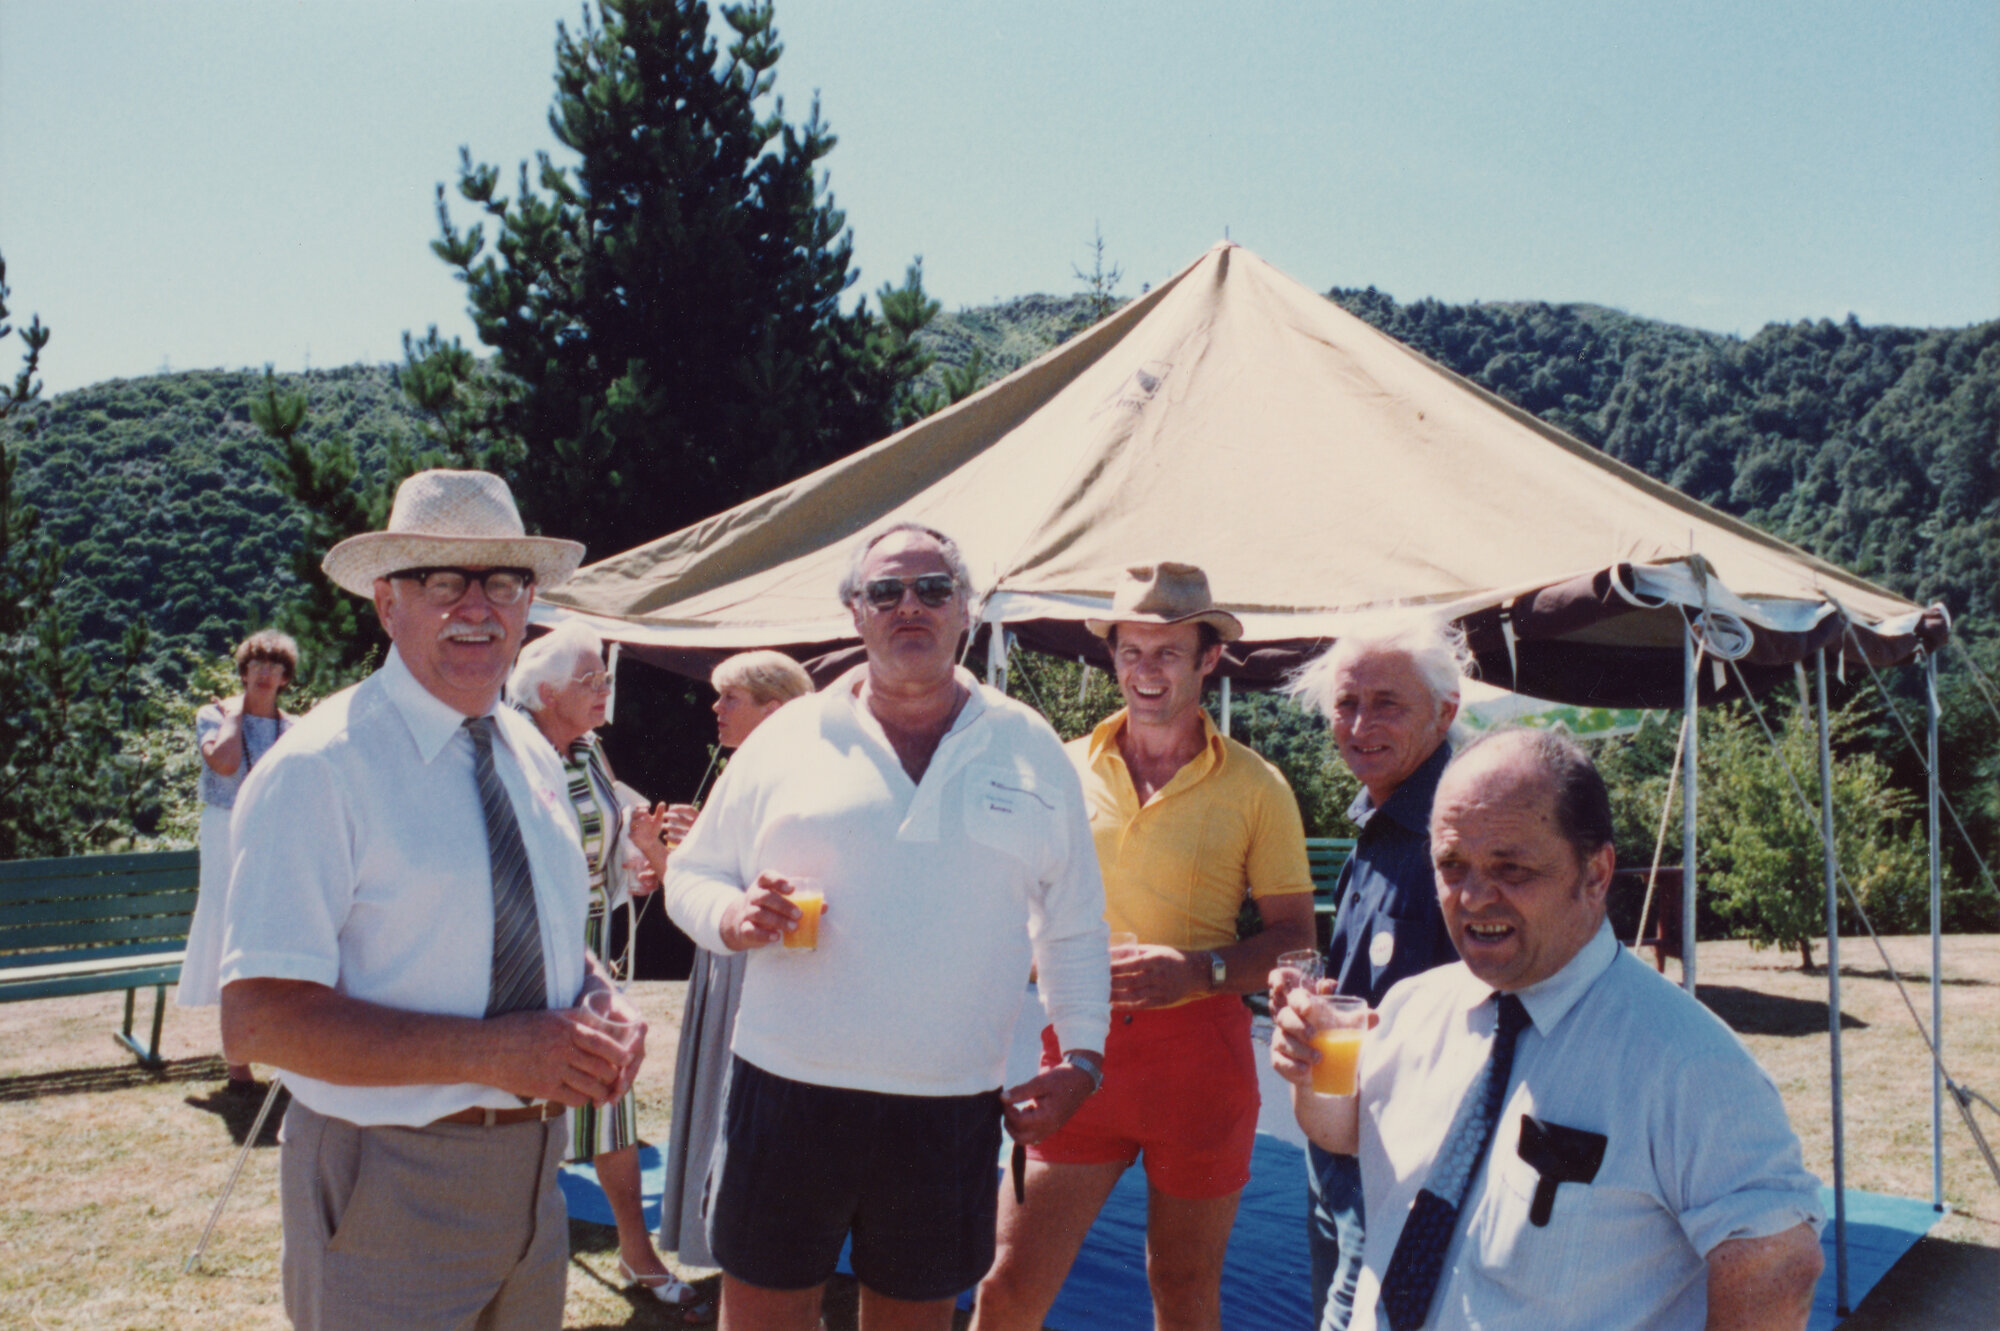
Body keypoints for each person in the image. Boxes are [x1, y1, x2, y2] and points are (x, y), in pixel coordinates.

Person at [218, 469, 648, 1331]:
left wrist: (598, 996)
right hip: (387, 1174)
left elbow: (537, 923)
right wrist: (492, 1053)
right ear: (387, 602)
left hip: (539, 1173)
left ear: (532, 602)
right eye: (444, 580)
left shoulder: (528, 749)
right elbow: (258, 1020)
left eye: (503, 581)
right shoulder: (319, 768)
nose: (479, 608)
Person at [663, 521, 1110, 1331]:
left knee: (914, 1318)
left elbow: (1074, 920)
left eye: (934, 589)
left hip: (950, 1100)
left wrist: (1083, 1053)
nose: (912, 606)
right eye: (887, 591)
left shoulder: (1027, 744)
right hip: (787, 1085)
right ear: (854, 611)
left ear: (965, 609)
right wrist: (731, 915)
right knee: (764, 1314)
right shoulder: (789, 738)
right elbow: (690, 873)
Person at [1272, 728, 1826, 1331]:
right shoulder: (1410, 1007)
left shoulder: (1687, 1062)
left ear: (1595, 873)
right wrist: (1310, 1072)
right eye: (1451, 865)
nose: (1475, 897)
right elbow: (1349, 1133)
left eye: (1512, 869)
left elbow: (1777, 1262)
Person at [972, 562, 1316, 1331]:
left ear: (1208, 658)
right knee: (1006, 1288)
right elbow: (1005, 899)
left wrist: (1200, 970)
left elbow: (1297, 938)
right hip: (1078, 1055)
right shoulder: (1056, 764)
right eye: (1131, 651)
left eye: (1167, 652)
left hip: (1201, 1066)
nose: (1146, 671)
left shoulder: (1258, 785)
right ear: (1112, 656)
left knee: (1185, 1292)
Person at [508, 621, 710, 1320]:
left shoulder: (587, 749)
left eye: (604, 677)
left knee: (610, 1097)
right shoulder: (510, 751)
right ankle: (515, 1245)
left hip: (592, 945)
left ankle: (635, 1249)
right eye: (589, 680)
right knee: (524, 1102)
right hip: (528, 951)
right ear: (542, 692)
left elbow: (601, 835)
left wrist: (636, 856)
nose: (605, 691)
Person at [1281, 616, 1468, 1331]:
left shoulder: (1456, 832)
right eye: (1347, 703)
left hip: (1404, 1159)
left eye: (1386, 703)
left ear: (1445, 709)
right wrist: (1314, 995)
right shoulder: (1382, 819)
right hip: (1339, 1136)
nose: (1360, 724)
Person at [657, 649, 814, 1276]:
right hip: (728, 960)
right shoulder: (741, 771)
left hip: (764, 968)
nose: (716, 709)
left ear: (775, 712)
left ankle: (740, 1244)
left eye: (731, 698)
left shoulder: (799, 772)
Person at [180, 628, 300, 1093]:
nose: (265, 673)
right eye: (256, 664)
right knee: (230, 930)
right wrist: (233, 716)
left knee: (273, 931)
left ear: (286, 677)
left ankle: (286, 1051)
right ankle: (238, 1061)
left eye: (275, 666)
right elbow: (226, 764)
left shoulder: (294, 729)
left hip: (274, 831)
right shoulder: (212, 715)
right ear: (244, 671)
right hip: (225, 828)